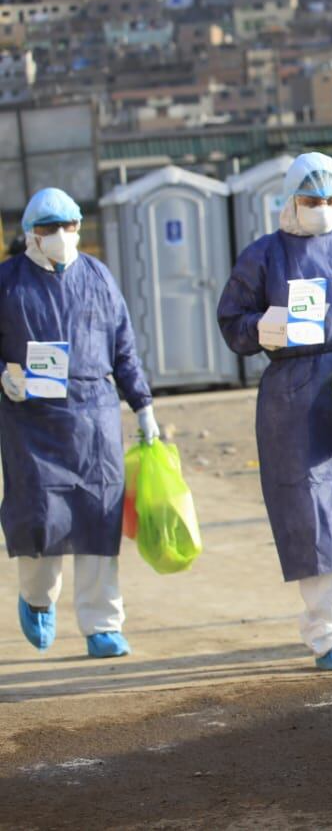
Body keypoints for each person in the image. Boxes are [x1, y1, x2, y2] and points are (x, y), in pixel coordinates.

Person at [217, 152, 332, 672]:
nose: (323, 208)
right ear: (290, 200)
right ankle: (331, 634)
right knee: (310, 507)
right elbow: (232, 320)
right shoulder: (264, 256)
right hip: (295, 394)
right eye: (312, 200)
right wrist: (262, 330)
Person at [1, 188, 160, 658]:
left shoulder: (99, 277)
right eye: (50, 229)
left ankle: (102, 625)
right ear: (30, 235)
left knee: (98, 519)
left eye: (69, 227)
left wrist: (143, 405)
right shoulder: (8, 283)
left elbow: (124, 347)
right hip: (31, 421)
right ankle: (37, 598)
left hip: (94, 415)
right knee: (41, 521)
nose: (61, 237)